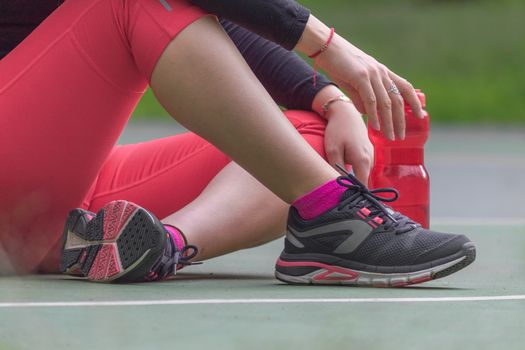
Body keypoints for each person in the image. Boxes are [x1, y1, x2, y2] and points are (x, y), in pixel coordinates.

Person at [0, 0, 475, 286]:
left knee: (314, 142)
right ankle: (335, 212)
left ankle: (158, 245)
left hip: (52, 205)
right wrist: (328, 45)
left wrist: (330, 98)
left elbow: (190, 16)